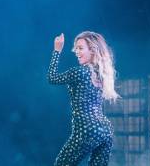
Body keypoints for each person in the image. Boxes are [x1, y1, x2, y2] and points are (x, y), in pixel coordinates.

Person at [48, 31, 119, 166]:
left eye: (80, 48)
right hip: (105, 130)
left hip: (87, 130)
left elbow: (52, 78)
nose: (76, 51)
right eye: (76, 48)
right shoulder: (101, 74)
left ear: (92, 50)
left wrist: (57, 50)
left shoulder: (80, 72)